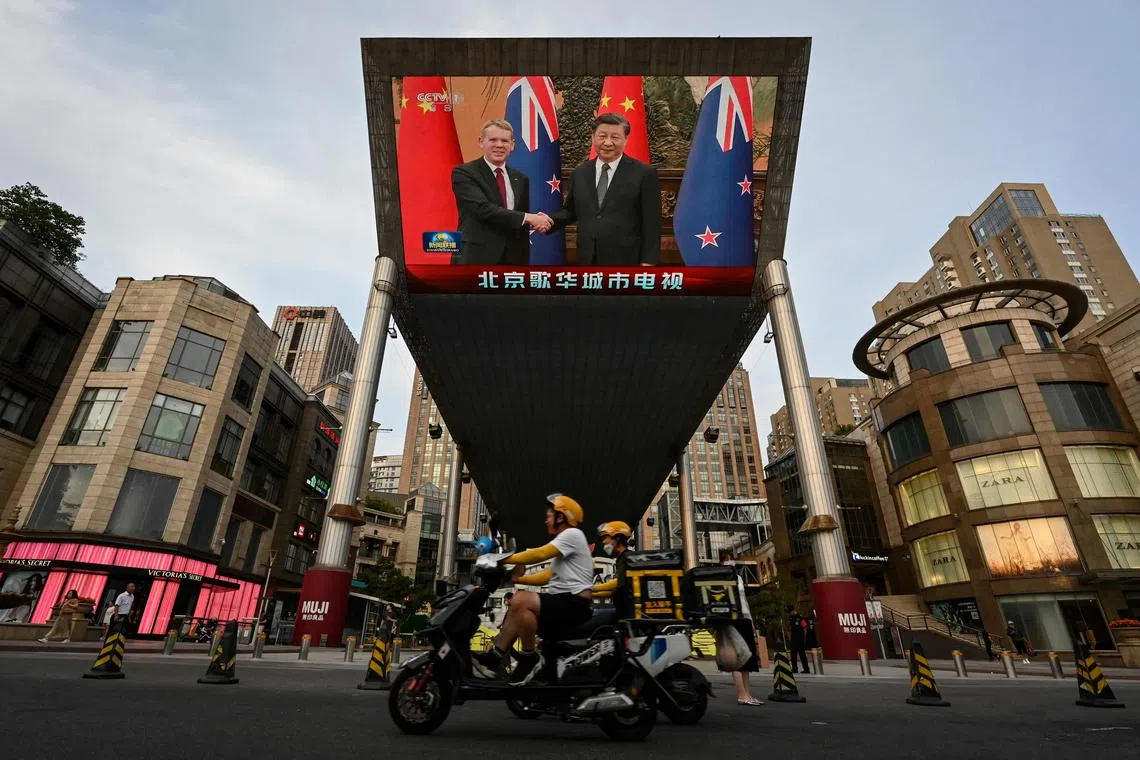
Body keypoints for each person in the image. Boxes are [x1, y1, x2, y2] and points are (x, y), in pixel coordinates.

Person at [474, 493, 594, 685]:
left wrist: (500, 559)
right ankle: (494, 657)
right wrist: (521, 578)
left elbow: (541, 553)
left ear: (561, 517)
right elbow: (547, 576)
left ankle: (529, 658)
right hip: (564, 604)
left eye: (549, 516)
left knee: (521, 599)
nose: (546, 520)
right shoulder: (566, 545)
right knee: (517, 607)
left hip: (574, 606)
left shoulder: (572, 534)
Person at [548, 113, 662, 266]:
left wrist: (649, 261)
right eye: (602, 136)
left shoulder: (644, 173)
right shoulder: (580, 172)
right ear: (593, 138)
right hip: (587, 259)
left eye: (615, 137)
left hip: (627, 261)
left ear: (626, 139)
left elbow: (652, 223)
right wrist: (546, 221)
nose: (608, 143)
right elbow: (570, 211)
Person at [450, 119, 550, 265]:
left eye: (504, 141)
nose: (499, 145)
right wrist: (529, 218)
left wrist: (538, 221)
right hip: (476, 257)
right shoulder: (464, 173)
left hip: (513, 259)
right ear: (481, 142)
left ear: (512, 145)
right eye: (493, 140)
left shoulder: (520, 178)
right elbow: (483, 209)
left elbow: (518, 220)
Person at [719, 549, 762, 706]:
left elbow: (744, 601)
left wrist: (750, 621)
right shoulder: (722, 578)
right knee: (736, 659)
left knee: (747, 659)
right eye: (726, 559)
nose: (730, 561)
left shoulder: (737, 577)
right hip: (732, 620)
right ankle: (742, 694)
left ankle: (748, 694)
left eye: (731, 559)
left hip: (744, 619)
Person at [591, 521, 633, 620]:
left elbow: (617, 583)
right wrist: (590, 594)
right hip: (623, 612)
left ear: (617, 538)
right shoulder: (622, 558)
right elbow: (614, 590)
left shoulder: (628, 558)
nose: (604, 541)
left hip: (626, 614)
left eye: (606, 537)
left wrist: (592, 588)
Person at [787, 605, 809, 674]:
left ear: (793, 611)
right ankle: (794, 669)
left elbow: (805, 627)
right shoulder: (790, 617)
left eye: (790, 612)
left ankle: (806, 669)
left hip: (800, 638)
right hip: (793, 638)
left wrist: (803, 636)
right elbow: (790, 628)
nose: (789, 613)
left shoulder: (800, 617)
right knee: (793, 654)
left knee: (802, 654)